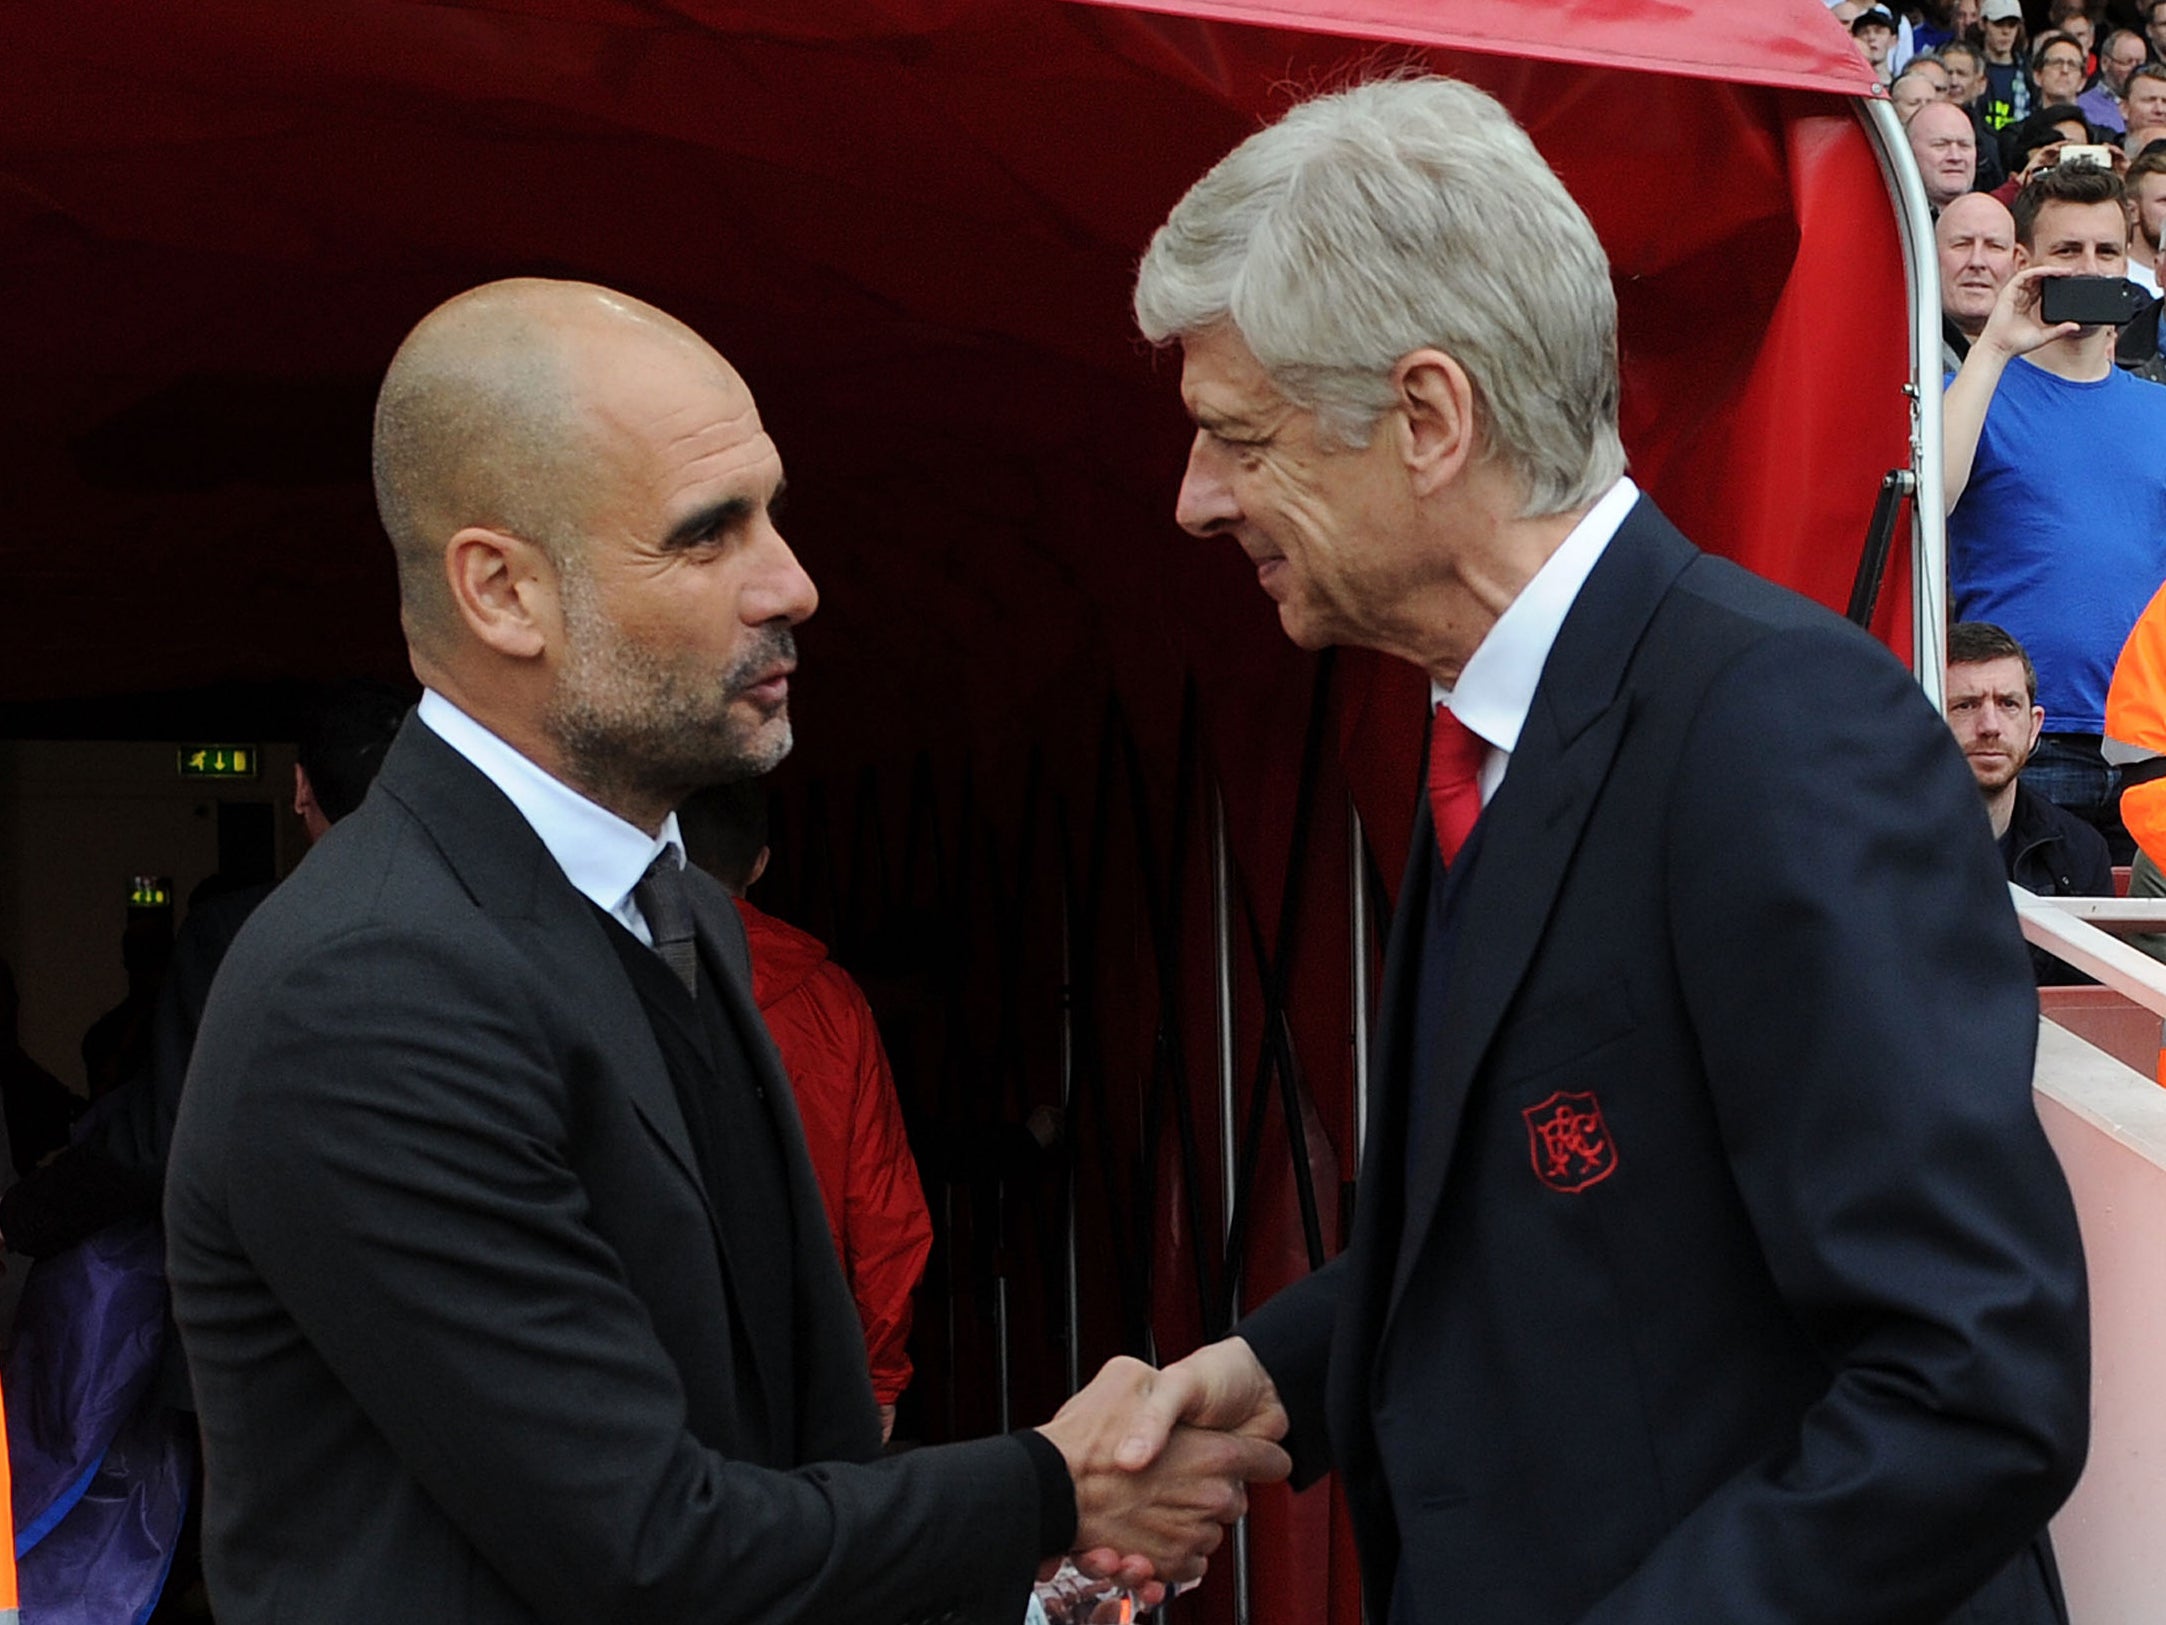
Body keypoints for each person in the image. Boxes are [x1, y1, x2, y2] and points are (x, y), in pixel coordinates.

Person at [162, 280, 1287, 1624]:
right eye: (708, 535)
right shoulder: (367, 989)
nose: (793, 581)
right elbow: (642, 1549)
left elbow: (786, 1449)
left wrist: (1029, 1583)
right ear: (503, 590)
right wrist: (1052, 1490)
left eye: (772, 510)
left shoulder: (676, 909)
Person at [1119, 72, 2088, 1624]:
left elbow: (1967, 1384)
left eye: (1237, 436)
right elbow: (1557, 1230)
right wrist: (1261, 1373)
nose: (1194, 500)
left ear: (1428, 419)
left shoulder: (1773, 734)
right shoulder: (1501, 731)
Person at [680, 779, 934, 1447]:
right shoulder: (833, 998)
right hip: (807, 1360)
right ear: (761, 862)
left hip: (662, 1354)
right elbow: (884, 1209)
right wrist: (879, 1378)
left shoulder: (608, 977)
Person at [1944, 160, 2166, 856]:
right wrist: (1998, 345)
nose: (2090, 268)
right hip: (2017, 740)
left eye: (2105, 250)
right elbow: (1934, 498)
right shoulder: (1972, 389)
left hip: (2147, 748)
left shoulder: (2157, 408)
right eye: (2067, 251)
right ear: (2023, 261)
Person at [1944, 621, 2114, 984]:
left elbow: (2084, 1012)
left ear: (2034, 725)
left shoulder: (2080, 852)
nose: (1989, 725)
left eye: (2008, 704)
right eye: (1965, 705)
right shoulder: (1878, 846)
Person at [1940, 191, 2021, 369]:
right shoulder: (1906, 355)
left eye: (1994, 246)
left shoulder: (2046, 356)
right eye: (1962, 244)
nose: (1977, 261)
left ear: (2019, 262)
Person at [1910, 98, 1982, 209]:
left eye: (1964, 145)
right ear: (1910, 152)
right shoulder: (1883, 217)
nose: (1955, 157)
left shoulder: (1993, 219)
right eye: (1940, 145)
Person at [1979, 0, 2035, 129]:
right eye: (1998, 24)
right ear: (1983, 24)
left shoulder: (2029, 71)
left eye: (2012, 25)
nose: (2006, 31)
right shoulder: (1972, 69)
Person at [2080, 26, 2148, 129]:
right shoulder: (2083, 107)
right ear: (2105, 63)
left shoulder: (2155, 108)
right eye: (2127, 62)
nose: (2135, 70)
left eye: (2140, 64)